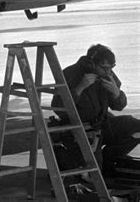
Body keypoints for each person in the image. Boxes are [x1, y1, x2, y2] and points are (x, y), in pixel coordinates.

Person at [51, 44, 140, 177]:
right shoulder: (70, 74)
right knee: (94, 176)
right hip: (80, 129)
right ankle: (71, 158)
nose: (109, 71)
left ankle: (109, 159)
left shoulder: (107, 74)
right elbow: (58, 107)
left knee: (135, 126)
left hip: (103, 123)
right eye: (105, 68)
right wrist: (80, 88)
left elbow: (118, 106)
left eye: (111, 67)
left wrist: (116, 93)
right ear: (91, 64)